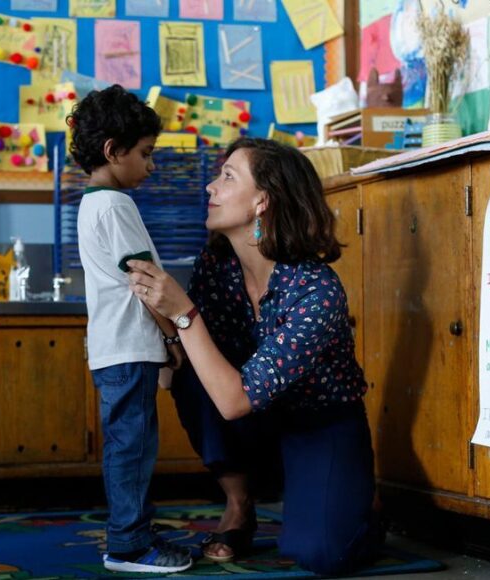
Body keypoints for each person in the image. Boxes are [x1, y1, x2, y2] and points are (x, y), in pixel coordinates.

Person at [127, 137, 380, 575]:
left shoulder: (316, 291)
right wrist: (158, 317)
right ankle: (239, 504)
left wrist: (183, 313)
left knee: (321, 553)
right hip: (255, 425)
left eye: (227, 177)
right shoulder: (218, 265)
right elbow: (190, 365)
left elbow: (233, 399)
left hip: (318, 424)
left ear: (263, 201)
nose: (210, 186)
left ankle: (360, 503)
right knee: (192, 370)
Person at [67, 84, 193, 574]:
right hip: (128, 347)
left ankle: (132, 530)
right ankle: (129, 546)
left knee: (130, 444)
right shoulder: (115, 206)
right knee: (133, 448)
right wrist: (172, 336)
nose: (151, 164)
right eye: (145, 154)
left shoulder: (95, 203)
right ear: (112, 151)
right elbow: (147, 282)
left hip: (116, 347)